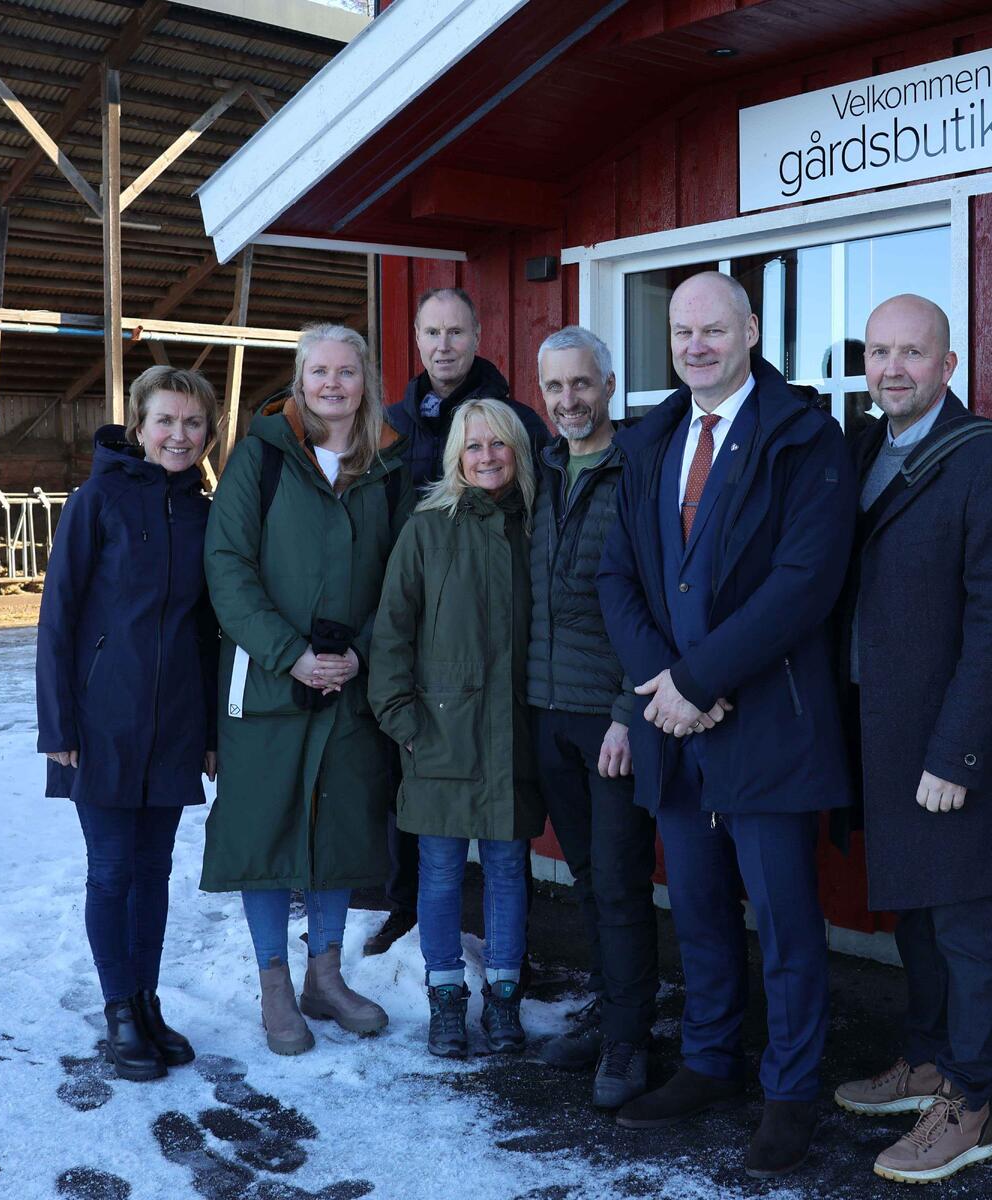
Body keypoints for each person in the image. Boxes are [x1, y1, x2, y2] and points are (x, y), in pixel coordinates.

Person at [597, 271, 854, 1177]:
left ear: (751, 330)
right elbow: (615, 577)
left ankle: (790, 1092)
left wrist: (701, 677)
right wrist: (662, 686)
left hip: (767, 720)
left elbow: (805, 583)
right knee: (698, 908)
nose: (697, 345)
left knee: (784, 919)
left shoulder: (804, 436)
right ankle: (710, 1061)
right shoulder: (651, 440)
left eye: (715, 328)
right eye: (682, 331)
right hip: (674, 720)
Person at [830, 295, 992, 1184]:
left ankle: (972, 1100)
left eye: (912, 353)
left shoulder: (989, 464)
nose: (892, 368)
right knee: (915, 910)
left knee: (964, 922)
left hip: (953, 745)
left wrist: (955, 754)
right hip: (881, 736)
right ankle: (927, 1063)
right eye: (879, 352)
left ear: (948, 366)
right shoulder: (866, 450)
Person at [202, 324, 410, 1056]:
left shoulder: (388, 462)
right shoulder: (259, 457)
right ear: (299, 378)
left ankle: (326, 974)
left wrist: (360, 652)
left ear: (365, 381)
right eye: (318, 371)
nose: (332, 385)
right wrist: (288, 652)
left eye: (346, 373)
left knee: (337, 829)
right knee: (265, 832)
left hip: (349, 683)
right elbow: (226, 566)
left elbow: (400, 577)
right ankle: (275, 985)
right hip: (266, 683)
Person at [35, 365, 220, 1083]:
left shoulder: (203, 513)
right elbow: (59, 618)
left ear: (208, 433)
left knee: (156, 871)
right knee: (111, 871)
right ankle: (118, 1009)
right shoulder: (98, 500)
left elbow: (206, 632)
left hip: (174, 724)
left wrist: (210, 731)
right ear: (139, 427)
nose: (179, 435)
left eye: (193, 423)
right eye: (166, 421)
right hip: (100, 721)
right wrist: (58, 724)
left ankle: (147, 1002)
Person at [370, 286, 550, 956]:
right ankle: (402, 914)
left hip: (501, 675)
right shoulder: (392, 425)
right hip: (425, 638)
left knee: (503, 855)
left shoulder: (516, 422)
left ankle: (507, 968)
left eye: (455, 333)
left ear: (477, 336)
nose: (443, 346)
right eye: (431, 334)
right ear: (416, 340)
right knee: (422, 827)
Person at [369, 397, 544, 1058]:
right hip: (438, 730)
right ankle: (446, 999)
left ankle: (503, 999)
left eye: (498, 445)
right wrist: (401, 719)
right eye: (474, 447)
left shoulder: (535, 524)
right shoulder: (427, 526)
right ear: (456, 457)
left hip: (510, 732)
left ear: (516, 451)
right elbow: (391, 632)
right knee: (438, 874)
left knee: (505, 870)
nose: (488, 456)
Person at [524, 326, 659, 1108]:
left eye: (581, 384)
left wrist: (625, 713)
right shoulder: (539, 473)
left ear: (608, 386)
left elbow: (650, 604)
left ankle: (629, 1042)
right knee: (585, 877)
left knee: (618, 882)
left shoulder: (635, 470)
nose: (568, 400)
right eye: (554, 388)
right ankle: (609, 1014)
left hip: (611, 717)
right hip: (548, 714)